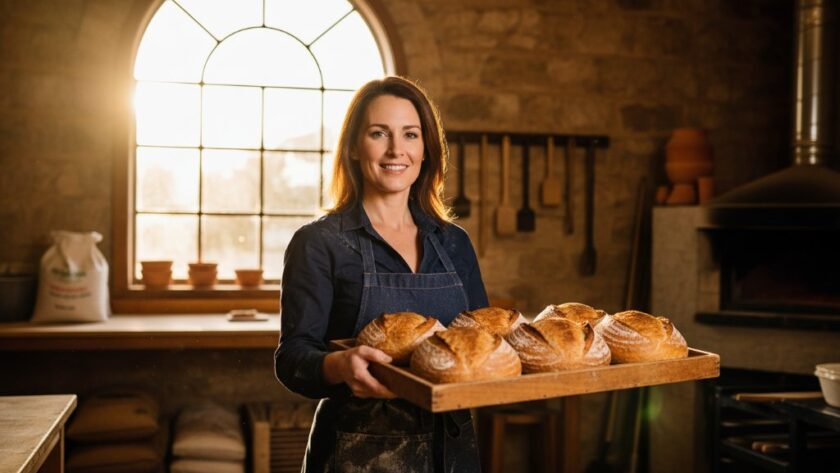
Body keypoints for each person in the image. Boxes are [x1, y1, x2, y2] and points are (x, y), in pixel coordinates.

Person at [274, 76, 488, 472]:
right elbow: (292, 357)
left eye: (410, 135)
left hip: (453, 454)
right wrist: (338, 366)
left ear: (426, 150)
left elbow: (481, 343)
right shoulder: (319, 243)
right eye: (379, 133)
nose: (396, 150)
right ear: (354, 147)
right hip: (359, 453)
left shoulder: (454, 243)